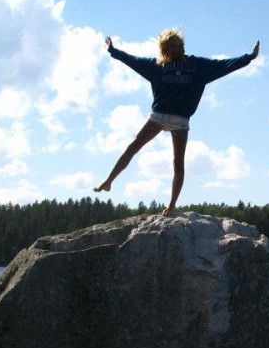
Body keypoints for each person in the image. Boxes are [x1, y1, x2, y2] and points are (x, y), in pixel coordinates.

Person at [94, 28, 260, 216]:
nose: (174, 48)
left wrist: (249, 57)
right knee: (147, 151)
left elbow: (225, 65)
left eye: (176, 45)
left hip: (171, 118)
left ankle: (169, 204)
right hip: (165, 116)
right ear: (166, 48)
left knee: (168, 158)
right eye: (171, 46)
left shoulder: (186, 65)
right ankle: (110, 182)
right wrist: (113, 51)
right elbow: (132, 60)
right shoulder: (170, 65)